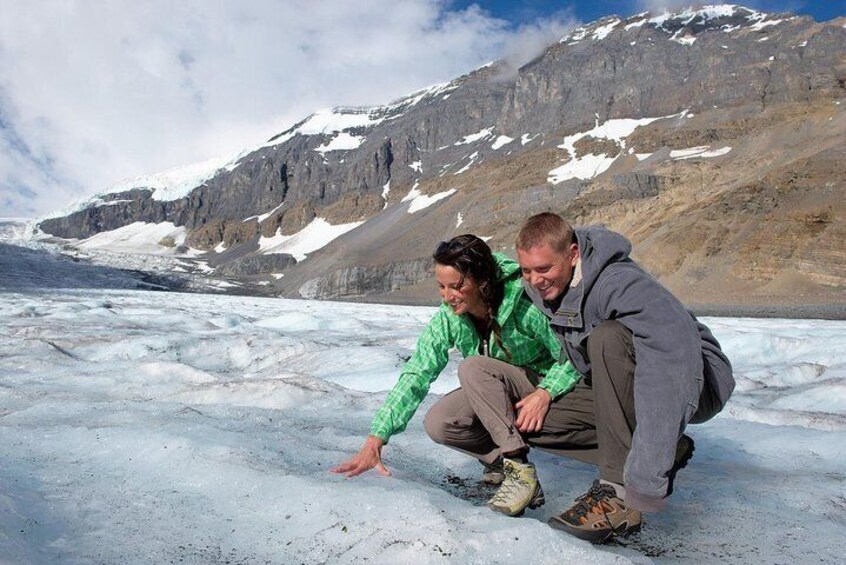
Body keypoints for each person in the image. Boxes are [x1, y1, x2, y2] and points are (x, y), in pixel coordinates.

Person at [514, 212, 735, 543]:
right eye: (526, 270)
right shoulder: (545, 286)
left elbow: (670, 363)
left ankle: (618, 497)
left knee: (608, 337)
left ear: (573, 254)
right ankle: (667, 450)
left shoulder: (617, 283)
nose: (534, 280)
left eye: (544, 269)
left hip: (697, 378)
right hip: (626, 375)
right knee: (528, 424)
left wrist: (645, 482)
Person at [331, 234, 583, 517]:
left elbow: (571, 354)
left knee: (473, 367)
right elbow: (418, 372)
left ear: (481, 280)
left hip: (543, 389)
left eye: (457, 286)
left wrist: (545, 391)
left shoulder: (524, 303)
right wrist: (376, 438)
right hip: (497, 390)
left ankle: (519, 469)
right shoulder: (449, 317)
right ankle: (503, 464)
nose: (448, 296)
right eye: (441, 287)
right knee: (440, 422)